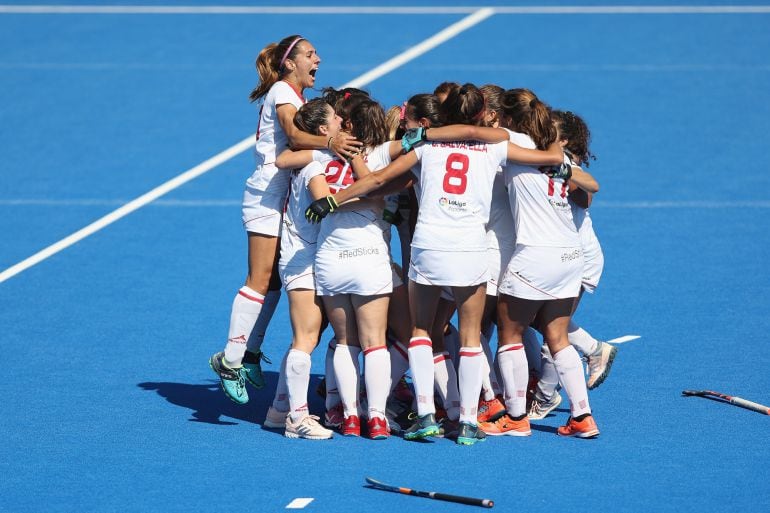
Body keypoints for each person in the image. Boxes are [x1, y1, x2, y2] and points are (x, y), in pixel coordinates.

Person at [307, 83, 565, 445]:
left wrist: (334, 201)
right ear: (480, 114)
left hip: (429, 246)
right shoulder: (496, 146)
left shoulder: (426, 145)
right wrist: (554, 138)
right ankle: (470, 421)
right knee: (471, 336)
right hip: (470, 248)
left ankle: (426, 413)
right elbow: (550, 160)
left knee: (421, 332)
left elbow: (379, 180)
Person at [209, 35, 360, 405]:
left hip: (278, 199)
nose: (318, 59)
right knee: (259, 278)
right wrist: (330, 144)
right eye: (310, 55)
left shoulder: (297, 96)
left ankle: (249, 352)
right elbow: (293, 136)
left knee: (274, 280)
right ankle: (229, 359)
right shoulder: (282, 92)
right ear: (289, 63)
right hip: (264, 197)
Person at [483, 89, 602, 438]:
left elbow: (476, 137)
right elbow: (591, 187)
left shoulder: (511, 140)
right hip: (569, 256)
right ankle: (582, 416)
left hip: (535, 253)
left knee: (508, 332)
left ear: (506, 118)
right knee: (556, 335)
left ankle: (516, 417)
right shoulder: (555, 150)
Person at [528, 109, 617, 420]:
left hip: (577, 256)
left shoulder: (566, 163)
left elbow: (586, 196)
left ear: (563, 139)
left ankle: (546, 398)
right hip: (561, 254)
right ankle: (594, 348)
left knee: (554, 330)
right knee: (539, 321)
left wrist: (563, 171)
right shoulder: (545, 155)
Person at [271, 98, 345, 439]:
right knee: (307, 337)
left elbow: (285, 158)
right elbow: (325, 203)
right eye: (335, 117)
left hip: (312, 257)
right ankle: (297, 420)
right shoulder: (317, 163)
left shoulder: (317, 155)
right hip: (304, 259)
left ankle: (279, 409)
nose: (342, 119)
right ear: (322, 130)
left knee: (307, 337)